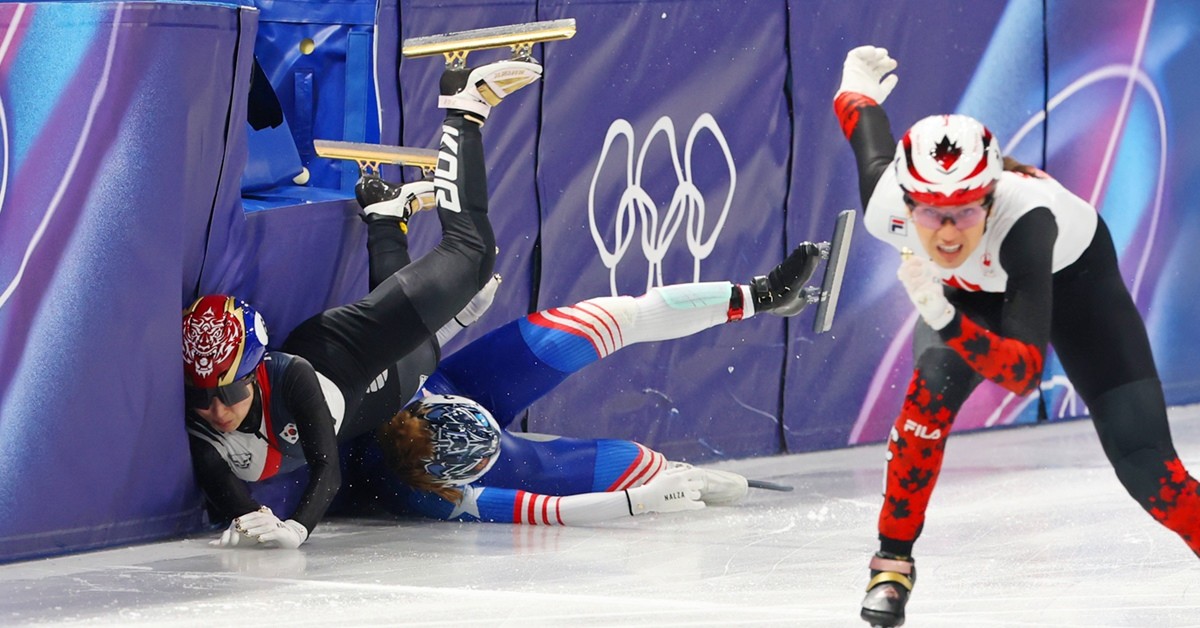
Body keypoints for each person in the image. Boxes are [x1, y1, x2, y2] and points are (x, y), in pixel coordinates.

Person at [832, 45, 1200, 626]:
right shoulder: (887, 206)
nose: (947, 233)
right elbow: (866, 134)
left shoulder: (1028, 219)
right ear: (906, 202)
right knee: (924, 405)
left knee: (1147, 467)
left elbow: (1023, 373)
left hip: (1074, 287)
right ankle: (891, 566)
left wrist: (943, 317)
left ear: (992, 195)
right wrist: (853, 92)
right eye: (929, 212)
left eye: (966, 211)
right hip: (969, 297)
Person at [181, 57, 543, 549]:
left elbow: (326, 469)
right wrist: (251, 519)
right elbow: (228, 494)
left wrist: (296, 528)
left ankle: (464, 107)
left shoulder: (290, 375)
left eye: (226, 393)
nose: (216, 410)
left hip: (341, 353)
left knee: (472, 256)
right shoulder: (206, 433)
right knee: (418, 352)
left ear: (254, 371)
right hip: (381, 387)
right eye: (201, 397)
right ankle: (386, 217)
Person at [333, 241, 826, 524]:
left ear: (428, 405)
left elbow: (395, 328)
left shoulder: (396, 392)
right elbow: (552, 511)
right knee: (639, 465)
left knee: (602, 323)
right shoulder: (440, 497)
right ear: (459, 477)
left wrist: (455, 322)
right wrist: (640, 499)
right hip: (454, 422)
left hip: (453, 382)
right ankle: (674, 471)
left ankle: (760, 296)